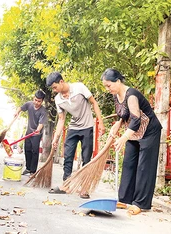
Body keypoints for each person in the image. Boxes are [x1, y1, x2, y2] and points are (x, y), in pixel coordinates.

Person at [101, 68, 162, 215]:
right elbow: (125, 113)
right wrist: (119, 123)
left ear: (118, 81)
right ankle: (125, 199)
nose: (107, 89)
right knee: (128, 163)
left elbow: (136, 119)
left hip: (149, 131)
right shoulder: (117, 95)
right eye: (105, 86)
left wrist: (124, 137)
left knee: (144, 167)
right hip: (135, 133)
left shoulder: (132, 95)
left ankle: (141, 203)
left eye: (109, 85)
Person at [46, 72, 105, 198]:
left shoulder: (79, 87)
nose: (54, 90)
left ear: (61, 81)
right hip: (73, 128)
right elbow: (61, 120)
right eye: (52, 89)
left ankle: (84, 188)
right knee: (68, 157)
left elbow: (94, 103)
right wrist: (55, 138)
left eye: (55, 87)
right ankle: (66, 185)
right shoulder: (58, 99)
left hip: (87, 126)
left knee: (86, 158)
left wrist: (100, 123)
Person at [14, 90, 47, 176]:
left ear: (42, 101)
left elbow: (41, 123)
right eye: (35, 100)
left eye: (39, 101)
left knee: (35, 151)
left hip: (36, 133)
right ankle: (28, 168)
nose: (36, 102)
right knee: (27, 149)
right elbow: (21, 108)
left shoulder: (43, 111)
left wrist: (38, 130)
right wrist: (17, 112)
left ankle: (33, 171)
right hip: (28, 132)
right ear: (33, 98)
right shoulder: (29, 104)